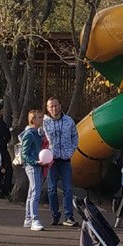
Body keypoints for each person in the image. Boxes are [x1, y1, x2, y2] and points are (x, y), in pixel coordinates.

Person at [42, 97, 79, 227]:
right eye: (51, 106)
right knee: (52, 189)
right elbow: (39, 138)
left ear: (60, 106)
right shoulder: (44, 123)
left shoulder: (69, 121)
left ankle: (69, 216)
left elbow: (75, 136)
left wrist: (71, 150)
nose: (54, 108)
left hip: (65, 160)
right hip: (51, 160)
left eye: (56, 105)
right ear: (48, 108)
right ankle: (55, 215)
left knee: (68, 188)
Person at [19, 109, 46, 232]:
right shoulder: (30, 134)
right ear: (33, 120)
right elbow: (24, 154)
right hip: (32, 166)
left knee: (32, 192)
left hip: (38, 165)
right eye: (39, 117)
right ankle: (34, 219)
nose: (42, 119)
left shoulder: (38, 133)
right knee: (36, 192)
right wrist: (35, 162)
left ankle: (28, 218)